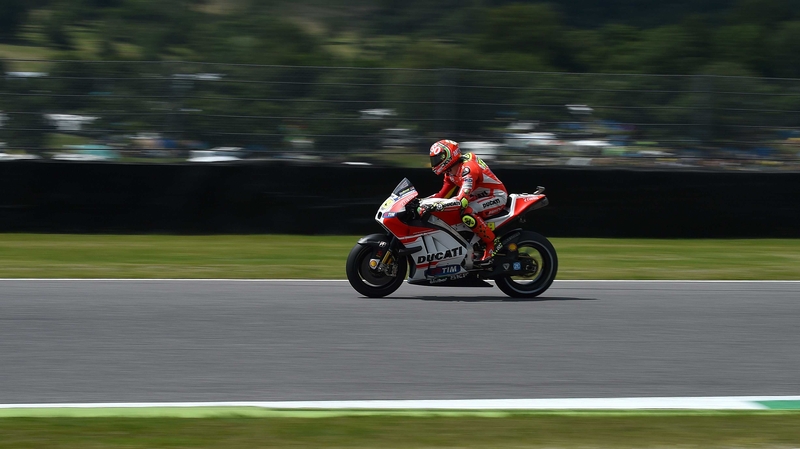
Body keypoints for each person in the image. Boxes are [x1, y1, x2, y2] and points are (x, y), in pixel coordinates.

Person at [420, 139, 508, 263]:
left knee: (467, 213)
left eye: (438, 159)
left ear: (448, 155)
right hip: (479, 197)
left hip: (496, 196)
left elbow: (462, 200)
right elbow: (442, 195)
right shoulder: (450, 173)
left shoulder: (468, 169)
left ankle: (492, 244)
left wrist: (437, 205)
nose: (435, 163)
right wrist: (420, 202)